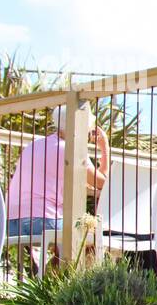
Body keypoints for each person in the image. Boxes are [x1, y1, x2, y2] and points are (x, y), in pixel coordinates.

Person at [6, 105, 109, 257]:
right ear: (79, 126)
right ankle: (70, 278)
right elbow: (103, 183)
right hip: (42, 222)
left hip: (12, 223)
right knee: (90, 231)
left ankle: (48, 276)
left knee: (68, 230)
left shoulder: (35, 144)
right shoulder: (71, 150)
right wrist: (104, 148)